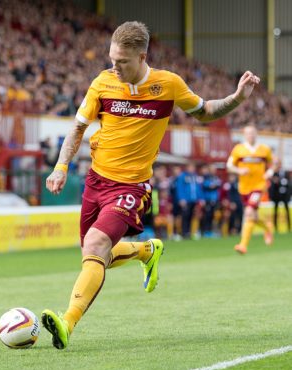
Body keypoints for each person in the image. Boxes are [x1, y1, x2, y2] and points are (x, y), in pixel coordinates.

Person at [42, 21, 260, 349]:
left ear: (142, 56)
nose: (114, 67)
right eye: (112, 59)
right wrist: (61, 167)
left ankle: (67, 322)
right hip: (96, 181)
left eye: (122, 62)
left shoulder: (167, 84)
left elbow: (205, 111)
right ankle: (147, 250)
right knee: (92, 254)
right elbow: (77, 128)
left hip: (131, 187)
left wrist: (237, 98)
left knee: (97, 245)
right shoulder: (102, 83)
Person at [227, 125, 273, 254]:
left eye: (252, 133)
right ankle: (267, 227)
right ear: (244, 135)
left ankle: (243, 245)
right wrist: (239, 170)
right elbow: (229, 165)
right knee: (253, 216)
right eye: (248, 133)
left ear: (256, 134)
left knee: (248, 213)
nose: (250, 135)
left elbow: (273, 164)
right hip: (244, 188)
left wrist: (269, 172)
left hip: (259, 186)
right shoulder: (238, 149)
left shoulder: (264, 149)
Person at [177, 163, 204, 239]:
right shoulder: (182, 176)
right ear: (187, 167)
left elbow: (198, 188)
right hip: (186, 200)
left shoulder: (195, 176)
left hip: (194, 200)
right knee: (185, 216)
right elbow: (180, 188)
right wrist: (181, 198)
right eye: (191, 167)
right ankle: (184, 232)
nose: (192, 169)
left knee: (192, 216)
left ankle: (190, 232)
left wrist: (201, 198)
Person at [269, 157, 291, 232]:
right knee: (275, 211)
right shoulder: (274, 172)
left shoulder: (286, 173)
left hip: (285, 195)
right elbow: (272, 184)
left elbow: (289, 183)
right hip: (277, 195)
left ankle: (289, 227)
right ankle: (275, 227)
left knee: (286, 210)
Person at [200, 164, 221, 237]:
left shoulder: (215, 177)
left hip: (214, 200)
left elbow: (218, 185)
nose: (214, 171)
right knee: (207, 216)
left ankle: (210, 231)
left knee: (212, 216)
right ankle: (205, 231)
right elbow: (207, 186)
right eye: (212, 169)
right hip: (207, 200)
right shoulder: (206, 177)